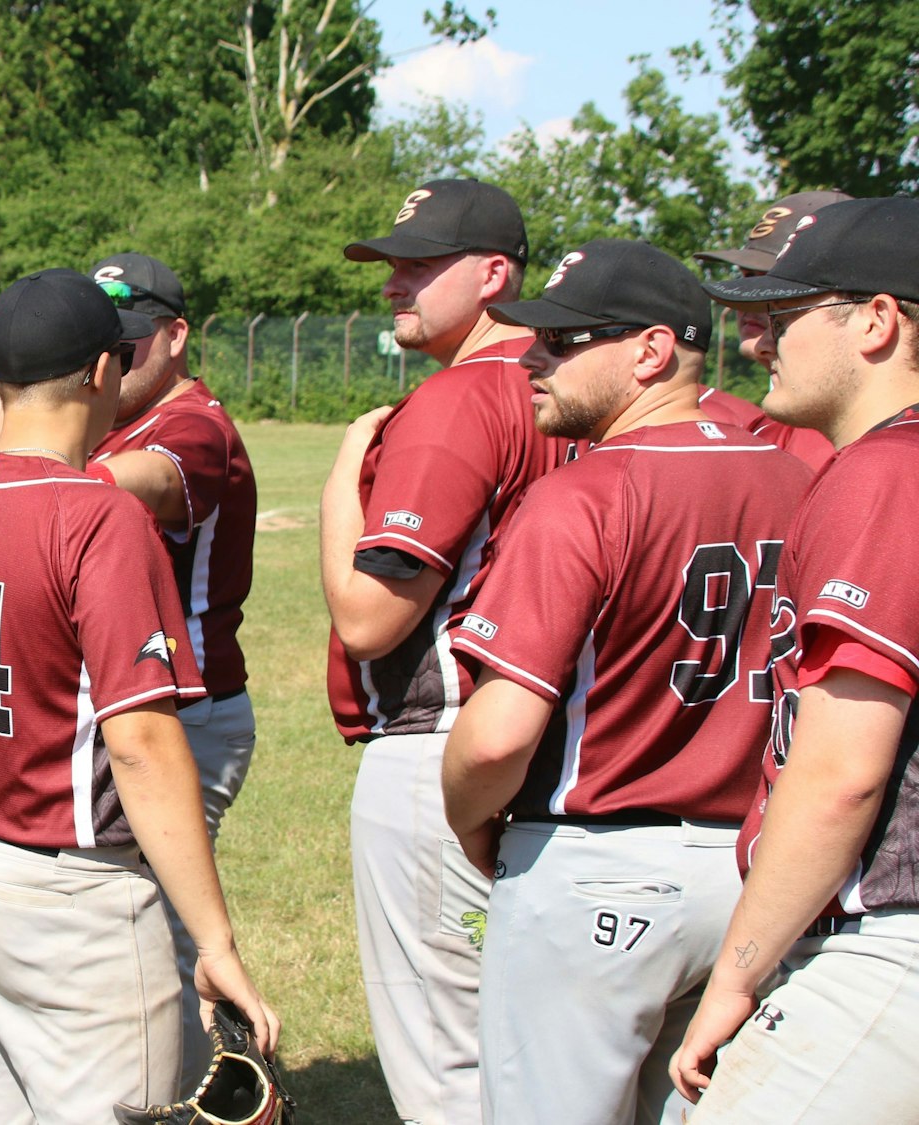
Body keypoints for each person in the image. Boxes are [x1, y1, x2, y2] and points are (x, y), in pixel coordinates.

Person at [437, 239, 812, 1124]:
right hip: (760, 867)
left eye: (564, 340)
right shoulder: (801, 478)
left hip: (594, 865)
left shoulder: (584, 492)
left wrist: (468, 820)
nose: (532, 358)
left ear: (651, 351)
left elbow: (496, 737)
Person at [0, 267, 278, 1121]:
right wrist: (215, 941)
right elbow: (140, 745)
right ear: (103, 371)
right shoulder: (99, 515)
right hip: (62, 888)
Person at [320, 177, 567, 1125]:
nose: (395, 283)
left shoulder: (460, 396)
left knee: (449, 1073)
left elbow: (369, 619)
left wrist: (344, 477)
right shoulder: (572, 387)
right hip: (549, 745)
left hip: (443, 748)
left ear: (495, 274)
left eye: (421, 264)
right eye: (393, 263)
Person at [671, 196, 919, 1121]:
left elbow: (841, 774)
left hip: (887, 936)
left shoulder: (887, 471)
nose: (758, 341)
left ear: (876, 320)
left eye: (785, 314)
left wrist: (737, 973)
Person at [85, 251, 259, 1085]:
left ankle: (214, 1089)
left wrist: (39, 474)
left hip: (190, 710)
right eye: (102, 344)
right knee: (148, 925)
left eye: (130, 340)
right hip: (149, 704)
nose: (114, 359)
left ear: (177, 335)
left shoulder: (195, 424)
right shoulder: (113, 415)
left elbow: (149, 479)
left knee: (167, 935)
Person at [693, 190, 850, 471]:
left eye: (771, 281)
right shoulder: (778, 420)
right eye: (747, 276)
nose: (747, 299)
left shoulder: (840, 433)